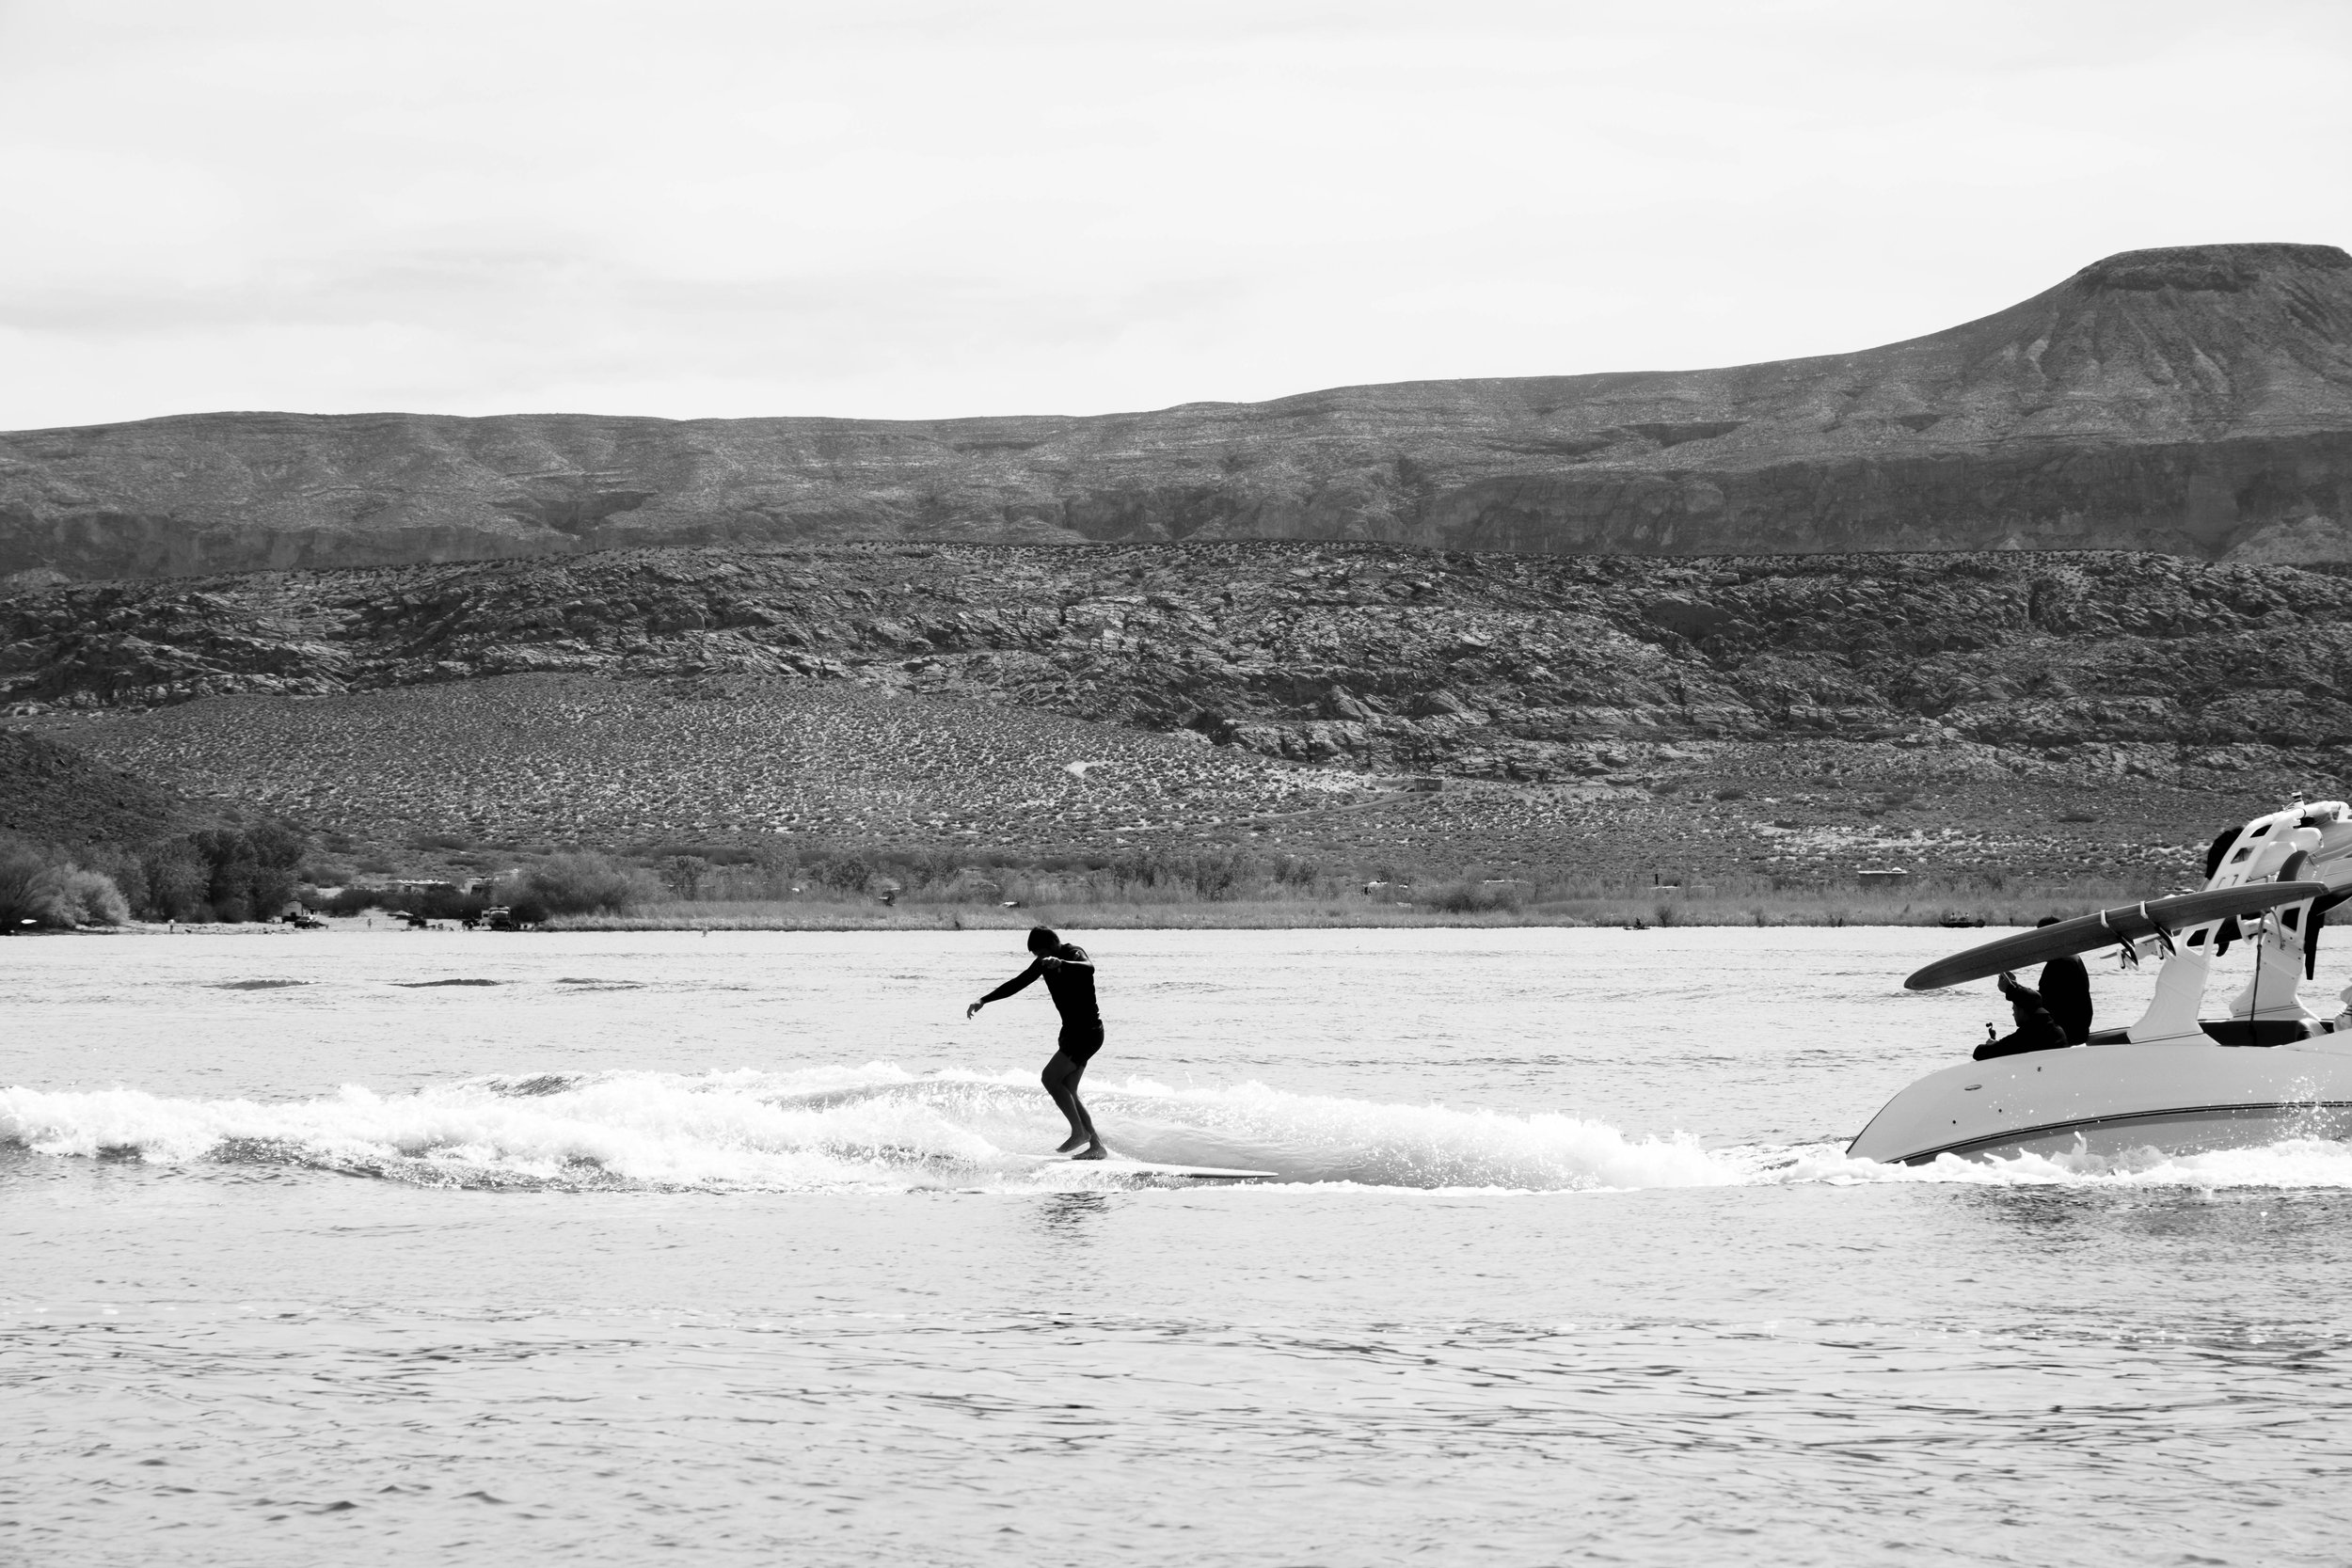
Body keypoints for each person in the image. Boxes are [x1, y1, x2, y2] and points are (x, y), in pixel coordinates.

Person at [968, 926, 1107, 1160]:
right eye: (1037, 955)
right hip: (1074, 1033)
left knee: (1050, 1078)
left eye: (1042, 952)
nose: (1041, 958)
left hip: (1086, 1032)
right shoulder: (1043, 962)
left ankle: (1079, 1133)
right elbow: (1018, 983)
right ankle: (1096, 1146)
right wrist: (984, 999)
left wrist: (1061, 963)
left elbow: (1089, 968)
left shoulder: (1073, 953)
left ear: (1054, 942)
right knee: (1068, 1088)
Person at [1975, 970, 2069, 1060]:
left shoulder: (2027, 1035)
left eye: (2014, 1010)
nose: (2013, 1014)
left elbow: (1979, 1052)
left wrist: (1995, 1045)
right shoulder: (2056, 1030)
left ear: (2023, 1010)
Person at [2033, 915, 2094, 1045]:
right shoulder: (2072, 957)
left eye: (2040, 939)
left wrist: (2012, 990)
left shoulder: (2060, 964)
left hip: (2065, 1033)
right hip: (2077, 1031)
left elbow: (2042, 1003)